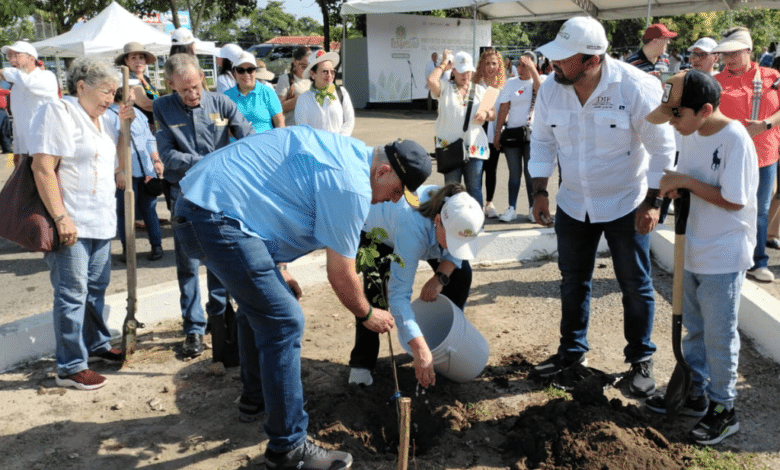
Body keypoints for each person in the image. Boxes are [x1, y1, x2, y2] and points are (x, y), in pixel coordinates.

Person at [172, 126, 431, 469]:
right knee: (284, 322)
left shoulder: (347, 152)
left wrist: (277, 266)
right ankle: (288, 449)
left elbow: (271, 192)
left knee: (262, 309)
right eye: (396, 191)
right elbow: (341, 273)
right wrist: (367, 313)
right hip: (215, 214)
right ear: (383, 172)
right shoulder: (351, 185)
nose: (393, 200)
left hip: (206, 204)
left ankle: (256, 399)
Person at [528, 17, 675, 397]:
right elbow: (543, 142)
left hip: (627, 202)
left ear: (592, 60)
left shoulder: (636, 87)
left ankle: (641, 359)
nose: (554, 64)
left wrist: (653, 202)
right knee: (573, 281)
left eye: (564, 58)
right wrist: (539, 191)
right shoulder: (550, 90)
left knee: (635, 283)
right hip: (575, 203)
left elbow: (663, 150)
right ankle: (571, 353)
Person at [644, 70, 757, 445]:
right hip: (691, 247)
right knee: (694, 329)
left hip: (723, 255)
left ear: (705, 109)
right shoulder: (690, 132)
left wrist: (685, 183)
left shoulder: (734, 140)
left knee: (720, 336)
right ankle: (695, 389)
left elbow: (734, 199)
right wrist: (680, 188)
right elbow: (692, 181)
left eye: (678, 115)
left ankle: (724, 408)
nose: (673, 124)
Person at [29, 57, 134, 390]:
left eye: (114, 93)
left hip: (101, 220)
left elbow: (117, 162)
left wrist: (124, 127)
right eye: (106, 91)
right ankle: (70, 366)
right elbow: (42, 168)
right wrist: (61, 218)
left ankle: (96, 344)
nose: (110, 99)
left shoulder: (105, 120)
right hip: (71, 220)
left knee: (95, 291)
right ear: (81, 86)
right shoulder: (60, 112)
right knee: (72, 295)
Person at [153, 53, 254, 358]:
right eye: (184, 90)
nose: (192, 94)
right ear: (171, 85)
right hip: (183, 194)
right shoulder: (162, 107)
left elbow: (248, 137)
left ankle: (219, 317)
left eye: (196, 87)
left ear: (202, 77)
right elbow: (167, 156)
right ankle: (193, 329)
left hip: (220, 194)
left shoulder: (221, 103)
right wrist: (208, 162)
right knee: (188, 263)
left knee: (220, 258)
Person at [348, 183, 484, 388]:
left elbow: (455, 255)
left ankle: (443, 342)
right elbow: (399, 294)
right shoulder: (411, 224)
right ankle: (362, 364)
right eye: (454, 241)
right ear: (438, 221)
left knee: (461, 275)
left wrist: (439, 278)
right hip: (379, 232)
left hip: (423, 233)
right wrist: (418, 347)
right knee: (376, 295)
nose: (457, 248)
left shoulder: (462, 209)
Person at [713, 27, 780, 283]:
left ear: (749, 50)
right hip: (730, 154)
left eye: (735, 53)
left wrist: (764, 125)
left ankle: (757, 259)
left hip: (765, 153)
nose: (729, 59)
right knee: (730, 203)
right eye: (725, 54)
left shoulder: (772, 76)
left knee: (760, 210)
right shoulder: (717, 81)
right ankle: (727, 256)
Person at [427, 49, 495, 206]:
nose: (466, 76)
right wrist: (444, 63)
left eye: (469, 72)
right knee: (452, 190)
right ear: (454, 71)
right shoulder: (444, 88)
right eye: (462, 72)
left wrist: (486, 115)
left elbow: (493, 113)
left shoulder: (480, 89)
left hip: (475, 147)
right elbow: (431, 80)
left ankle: (478, 227)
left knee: (474, 188)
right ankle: (452, 226)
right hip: (450, 148)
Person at [106, 87, 165, 262]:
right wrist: (119, 171)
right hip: (126, 174)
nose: (134, 93)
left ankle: (156, 245)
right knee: (125, 212)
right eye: (131, 90)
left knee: (149, 209)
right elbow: (110, 147)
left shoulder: (138, 113)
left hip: (146, 171)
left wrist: (156, 160)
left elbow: (149, 138)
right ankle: (128, 248)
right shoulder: (108, 116)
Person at [493, 51, 542, 223]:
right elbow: (504, 109)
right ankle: (511, 208)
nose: (520, 68)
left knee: (530, 174)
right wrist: (497, 133)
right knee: (514, 173)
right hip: (513, 134)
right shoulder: (511, 83)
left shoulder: (538, 82)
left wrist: (532, 69)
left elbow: (542, 93)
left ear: (533, 66)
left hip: (531, 135)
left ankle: (531, 208)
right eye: (519, 65)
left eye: (524, 65)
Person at [0, 41, 59, 166]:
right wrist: (17, 150)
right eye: (9, 56)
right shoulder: (16, 87)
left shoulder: (47, 77)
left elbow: (30, 83)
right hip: (26, 152)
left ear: (31, 58)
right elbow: (17, 121)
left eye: (16, 55)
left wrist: (4, 72)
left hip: (47, 149)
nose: (12, 60)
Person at [472, 48, 505, 219]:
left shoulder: (503, 86)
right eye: (487, 63)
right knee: (477, 172)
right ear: (482, 66)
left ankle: (489, 203)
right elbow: (483, 111)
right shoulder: (476, 85)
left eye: (494, 63)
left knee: (491, 170)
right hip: (477, 137)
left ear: (499, 66)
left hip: (494, 137)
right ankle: (475, 204)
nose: (491, 67)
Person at [295, 50, 355, 136]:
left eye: (332, 71)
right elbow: (302, 129)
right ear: (313, 74)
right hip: (315, 148)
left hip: (338, 146)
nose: (330, 75)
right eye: (325, 71)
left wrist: (339, 141)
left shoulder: (341, 93)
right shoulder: (303, 99)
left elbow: (349, 120)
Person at [224, 51, 284, 133]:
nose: (246, 74)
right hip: (237, 144)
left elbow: (280, 123)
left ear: (255, 71)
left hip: (264, 143)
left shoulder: (268, 92)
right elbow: (221, 128)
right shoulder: (225, 96)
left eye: (250, 70)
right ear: (234, 72)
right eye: (240, 70)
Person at [114, 42, 159, 126]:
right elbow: (145, 104)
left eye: (141, 58)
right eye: (133, 58)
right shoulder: (129, 79)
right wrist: (169, 104)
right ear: (127, 61)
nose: (138, 61)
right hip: (141, 127)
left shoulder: (146, 79)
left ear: (145, 61)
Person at [275, 46, 312, 127]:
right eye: (304, 66)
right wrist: (300, 98)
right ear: (295, 61)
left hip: (308, 129)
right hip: (291, 128)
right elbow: (279, 108)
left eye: (309, 67)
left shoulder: (312, 80)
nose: (306, 70)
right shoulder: (285, 79)